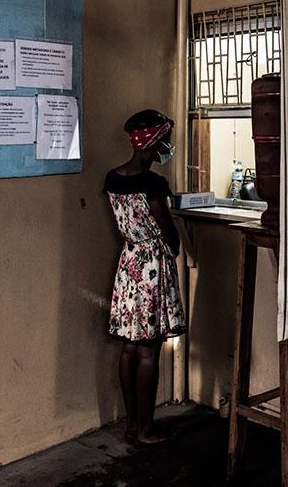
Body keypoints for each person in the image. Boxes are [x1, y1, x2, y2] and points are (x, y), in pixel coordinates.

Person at [102, 109, 185, 446]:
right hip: (152, 265)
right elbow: (167, 232)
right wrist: (174, 247)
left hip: (128, 264)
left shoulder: (112, 178)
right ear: (152, 144)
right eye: (163, 142)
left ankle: (131, 427)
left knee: (128, 349)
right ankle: (148, 429)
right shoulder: (153, 184)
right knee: (149, 351)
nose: (166, 148)